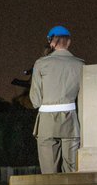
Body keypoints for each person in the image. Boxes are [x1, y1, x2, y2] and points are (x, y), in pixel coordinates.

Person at [30, 25, 84, 173]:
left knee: (49, 171)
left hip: (47, 121)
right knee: (73, 171)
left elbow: (35, 98)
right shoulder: (80, 64)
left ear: (51, 42)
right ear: (69, 42)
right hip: (71, 122)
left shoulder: (41, 63)